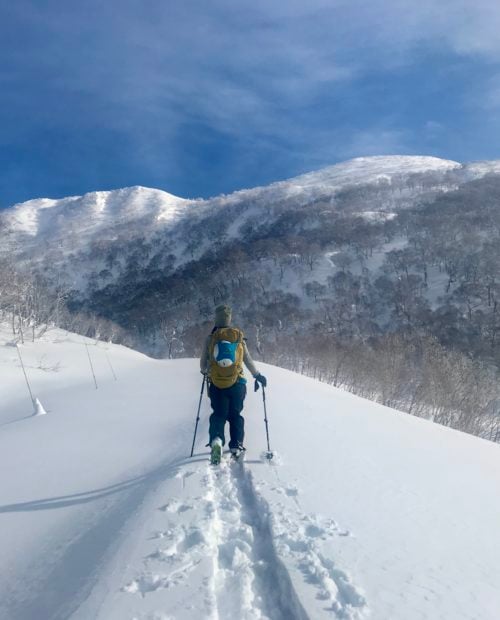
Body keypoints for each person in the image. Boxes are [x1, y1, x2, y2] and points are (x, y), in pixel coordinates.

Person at [200, 304, 267, 464]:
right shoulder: (238, 337)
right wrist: (257, 375)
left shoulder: (211, 338)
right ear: (229, 319)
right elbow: (248, 359)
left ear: (216, 319)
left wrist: (209, 372)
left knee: (219, 415)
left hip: (217, 385)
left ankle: (217, 440)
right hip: (237, 384)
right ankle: (236, 446)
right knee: (235, 415)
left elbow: (203, 366)